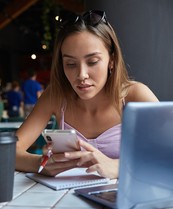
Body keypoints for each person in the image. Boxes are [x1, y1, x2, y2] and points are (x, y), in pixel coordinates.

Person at [15, 10, 158, 179]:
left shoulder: (134, 95)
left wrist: (118, 166)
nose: (81, 75)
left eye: (92, 62)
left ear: (111, 60)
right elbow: (8, 152)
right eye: (70, 64)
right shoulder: (55, 96)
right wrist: (41, 164)